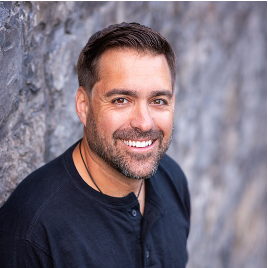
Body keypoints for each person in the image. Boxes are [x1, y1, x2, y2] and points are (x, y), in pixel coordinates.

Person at [0, 22, 190, 268]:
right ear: (84, 106)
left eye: (158, 100)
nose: (144, 123)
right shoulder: (31, 232)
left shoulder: (172, 179)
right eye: (121, 100)